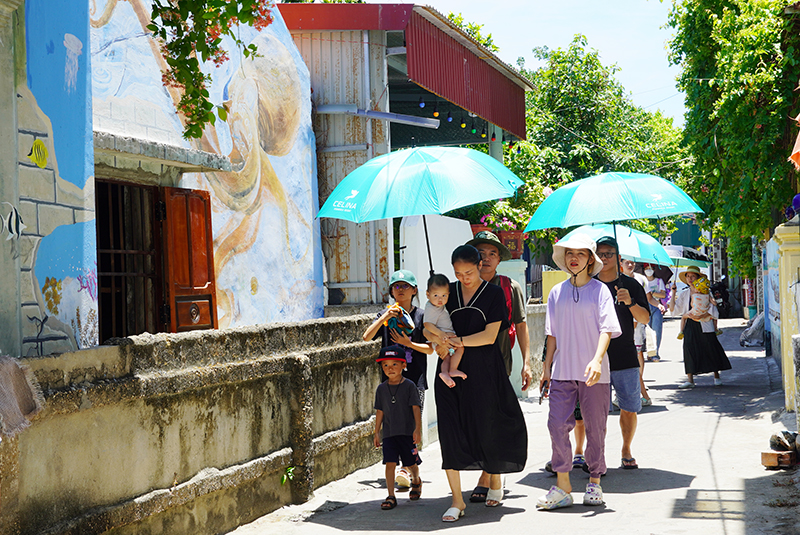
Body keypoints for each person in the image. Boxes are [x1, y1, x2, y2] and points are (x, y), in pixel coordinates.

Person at [426, 245, 527, 521]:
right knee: (450, 431)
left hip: (485, 369)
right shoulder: (447, 293)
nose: (464, 278)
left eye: (469, 272)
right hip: (449, 368)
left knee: (488, 425)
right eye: (458, 273)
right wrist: (437, 341)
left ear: (479, 265)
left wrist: (457, 341)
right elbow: (431, 325)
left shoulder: (494, 294)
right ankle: (457, 501)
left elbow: (490, 336)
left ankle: (494, 478)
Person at [538, 234, 621, 510]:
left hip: (594, 374)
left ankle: (595, 481)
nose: (574, 257)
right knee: (557, 425)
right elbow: (552, 336)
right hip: (562, 371)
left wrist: (597, 360)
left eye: (581, 253)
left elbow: (607, 329)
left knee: (596, 428)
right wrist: (546, 368)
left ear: (590, 260)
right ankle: (563, 486)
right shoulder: (555, 293)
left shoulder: (600, 291)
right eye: (569, 253)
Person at [463, 230, 533, 502]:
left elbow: (522, 326)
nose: (487, 258)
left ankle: (488, 475)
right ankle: (492, 470)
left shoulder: (509, 287)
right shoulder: (465, 286)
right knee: (476, 421)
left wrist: (527, 363)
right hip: (467, 364)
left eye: (493, 253)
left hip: (499, 364)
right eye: (481, 253)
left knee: (493, 420)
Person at [363, 269, 433, 487]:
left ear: (414, 290)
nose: (401, 290)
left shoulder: (422, 316)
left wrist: (409, 344)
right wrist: (386, 315)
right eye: (396, 286)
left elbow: (430, 349)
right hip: (390, 382)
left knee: (411, 425)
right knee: (393, 425)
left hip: (414, 381)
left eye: (405, 286)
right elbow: (366, 337)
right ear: (392, 291)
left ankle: (406, 467)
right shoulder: (385, 316)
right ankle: (409, 469)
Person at [595, 236, 650, 470]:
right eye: (600, 254)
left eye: (609, 253)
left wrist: (629, 303)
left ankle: (626, 448)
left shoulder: (631, 284)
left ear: (618, 257)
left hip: (624, 353)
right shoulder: (588, 284)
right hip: (594, 357)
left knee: (629, 407)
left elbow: (645, 318)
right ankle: (596, 454)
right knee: (595, 411)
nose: (604, 258)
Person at [373, 345, 423, 510]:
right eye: (385, 365)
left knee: (410, 463)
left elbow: (416, 408)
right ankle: (391, 495)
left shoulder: (409, 386)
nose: (390, 368)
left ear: (404, 365)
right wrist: (376, 432)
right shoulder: (381, 389)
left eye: (395, 364)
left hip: (407, 432)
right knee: (390, 463)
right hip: (389, 433)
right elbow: (379, 411)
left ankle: (416, 479)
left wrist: (418, 429)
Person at [669, 266, 732, 388]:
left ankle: (716, 376)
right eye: (688, 276)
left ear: (698, 278)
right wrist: (673, 293)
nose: (690, 279)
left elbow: (713, 308)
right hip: (690, 324)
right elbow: (673, 310)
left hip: (705, 322)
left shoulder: (705, 291)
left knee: (710, 347)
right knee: (689, 349)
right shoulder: (685, 294)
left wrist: (705, 314)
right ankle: (690, 380)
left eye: (693, 276)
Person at [423, 274, 466, 388]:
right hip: (443, 336)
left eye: (444, 295)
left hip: (443, 337)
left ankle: (445, 373)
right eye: (436, 295)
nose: (440, 299)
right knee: (460, 348)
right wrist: (440, 334)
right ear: (428, 294)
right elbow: (427, 324)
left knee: (446, 357)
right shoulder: (431, 308)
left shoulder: (435, 306)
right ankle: (453, 369)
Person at [620, 259, 653, 407]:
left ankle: (643, 395)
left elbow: (647, 302)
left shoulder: (640, 280)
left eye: (632, 262)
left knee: (635, 360)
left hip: (635, 329)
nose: (630, 265)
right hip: (620, 332)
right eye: (626, 262)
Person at [642, 263, 666, 362]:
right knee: (646, 331)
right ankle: (649, 352)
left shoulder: (659, 281)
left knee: (657, 330)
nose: (649, 270)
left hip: (656, 307)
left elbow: (663, 295)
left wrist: (651, 293)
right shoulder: (641, 280)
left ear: (654, 270)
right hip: (644, 307)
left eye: (651, 268)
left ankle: (655, 353)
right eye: (646, 268)